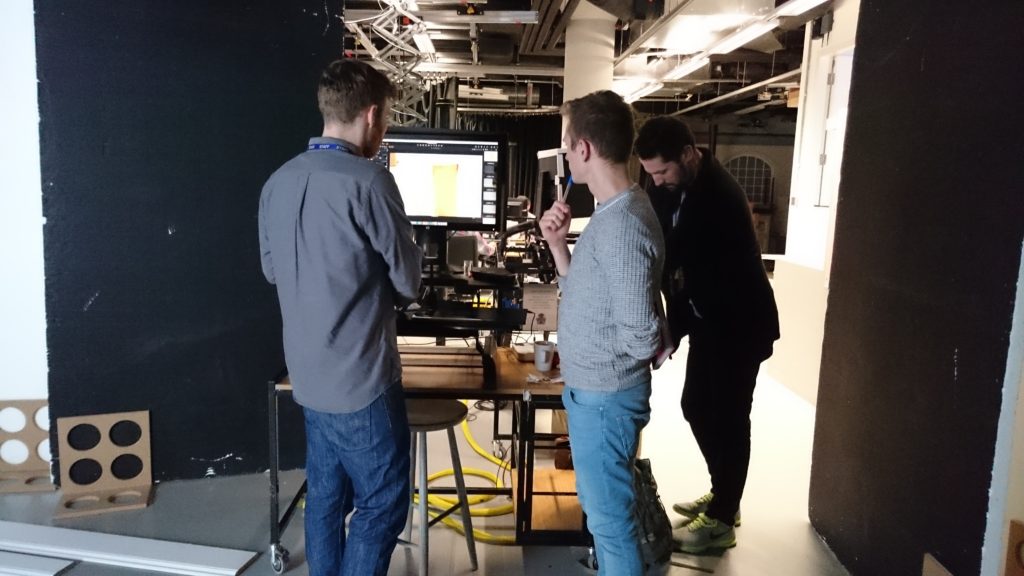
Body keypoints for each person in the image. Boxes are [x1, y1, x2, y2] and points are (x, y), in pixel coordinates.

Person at [258, 58, 422, 576]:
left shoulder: (277, 182)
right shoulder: (371, 182)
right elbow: (409, 281)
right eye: (387, 117)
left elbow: (272, 270)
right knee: (383, 502)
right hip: (361, 382)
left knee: (326, 497)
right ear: (371, 115)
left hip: (307, 378)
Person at [634, 116, 780, 554]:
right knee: (696, 406)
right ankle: (724, 494)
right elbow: (664, 252)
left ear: (688, 154)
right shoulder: (673, 187)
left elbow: (679, 261)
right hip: (708, 319)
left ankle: (722, 517)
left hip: (739, 325)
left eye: (662, 171)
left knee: (729, 417)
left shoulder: (719, 197)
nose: (656, 181)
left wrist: (669, 328)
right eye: (650, 173)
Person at [538, 90, 665, 575]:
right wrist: (558, 246)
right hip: (596, 396)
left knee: (610, 523)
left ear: (584, 149)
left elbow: (641, 336)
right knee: (604, 516)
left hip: (605, 400)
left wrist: (655, 332)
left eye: (567, 144)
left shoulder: (622, 225)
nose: (566, 154)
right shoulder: (614, 214)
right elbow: (594, 297)